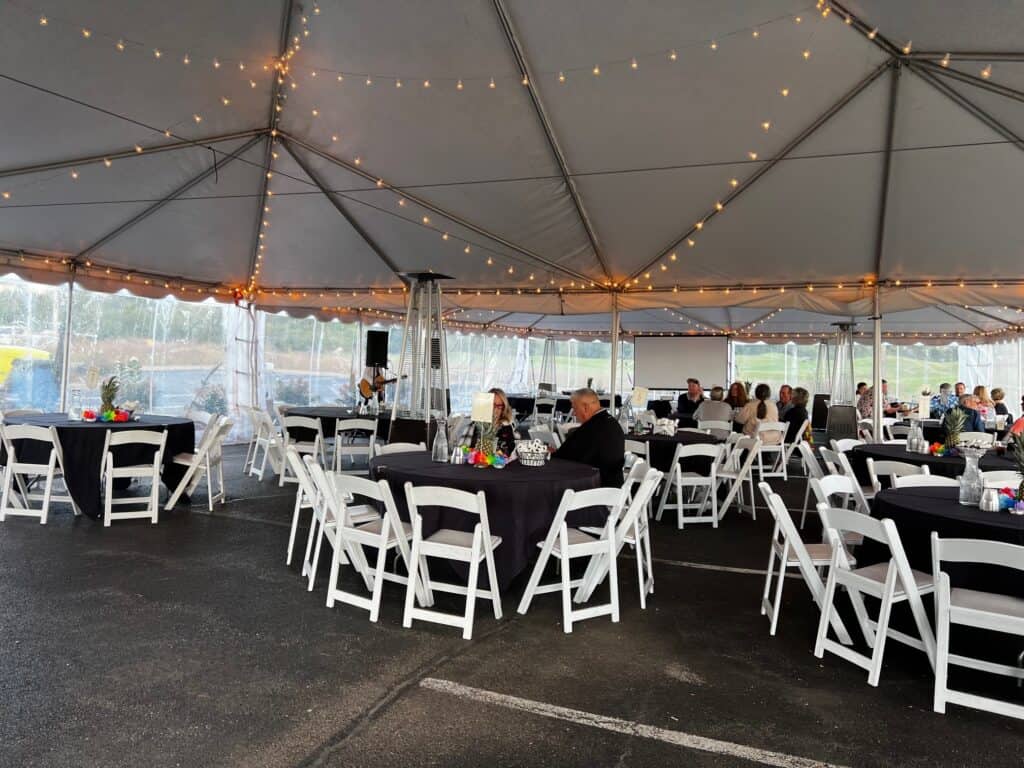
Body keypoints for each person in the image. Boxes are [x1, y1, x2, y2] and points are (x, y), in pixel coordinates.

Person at [552, 387, 625, 487]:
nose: (573, 413)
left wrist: (550, 454)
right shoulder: (611, 422)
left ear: (585, 407)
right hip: (614, 486)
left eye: (574, 408)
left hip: (595, 490)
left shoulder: (591, 428)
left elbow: (566, 458)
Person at [471, 387, 517, 456]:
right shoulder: (476, 425)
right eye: (493, 405)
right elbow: (468, 448)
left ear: (503, 408)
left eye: (499, 406)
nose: (495, 409)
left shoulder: (506, 427)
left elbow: (510, 449)